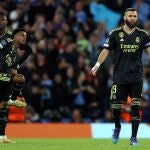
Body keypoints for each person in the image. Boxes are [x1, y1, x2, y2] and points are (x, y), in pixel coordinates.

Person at [91, 8, 150, 146]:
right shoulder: (115, 34)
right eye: (130, 16)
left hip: (136, 77)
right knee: (116, 109)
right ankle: (117, 127)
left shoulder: (142, 35)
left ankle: (133, 138)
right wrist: (97, 64)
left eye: (135, 16)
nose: (133, 18)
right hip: (119, 77)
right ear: (124, 17)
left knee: (136, 106)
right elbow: (105, 50)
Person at [0, 11, 31, 143]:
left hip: (3, 75)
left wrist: (17, 89)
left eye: (3, 20)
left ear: (6, 22)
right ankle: (12, 98)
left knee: (3, 105)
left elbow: (13, 65)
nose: (1, 22)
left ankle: (1, 136)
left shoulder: (9, 40)